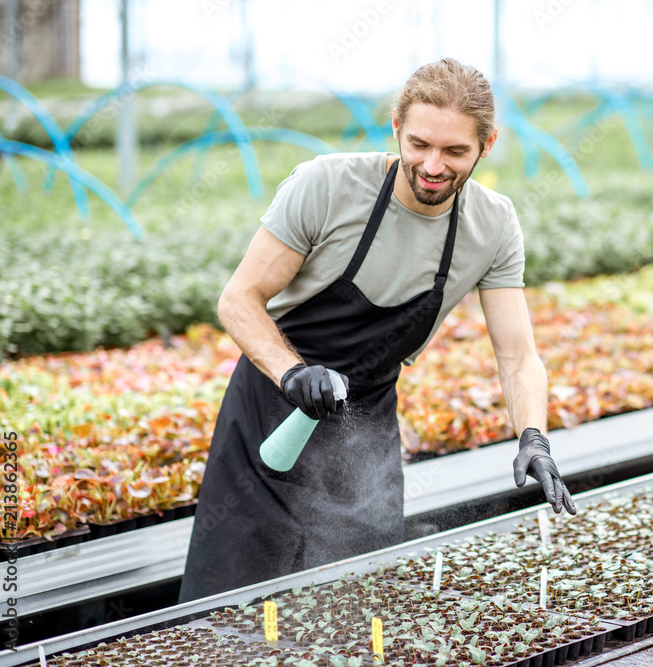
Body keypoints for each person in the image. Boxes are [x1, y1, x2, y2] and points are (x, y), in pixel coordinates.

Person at [178, 58, 576, 603]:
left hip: (364, 426)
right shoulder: (327, 186)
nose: (433, 165)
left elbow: (517, 356)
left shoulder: (493, 225)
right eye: (419, 145)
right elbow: (239, 300)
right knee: (236, 601)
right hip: (270, 412)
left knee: (361, 602)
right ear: (396, 127)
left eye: (455, 151)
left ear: (487, 144)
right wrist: (293, 373)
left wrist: (533, 436)